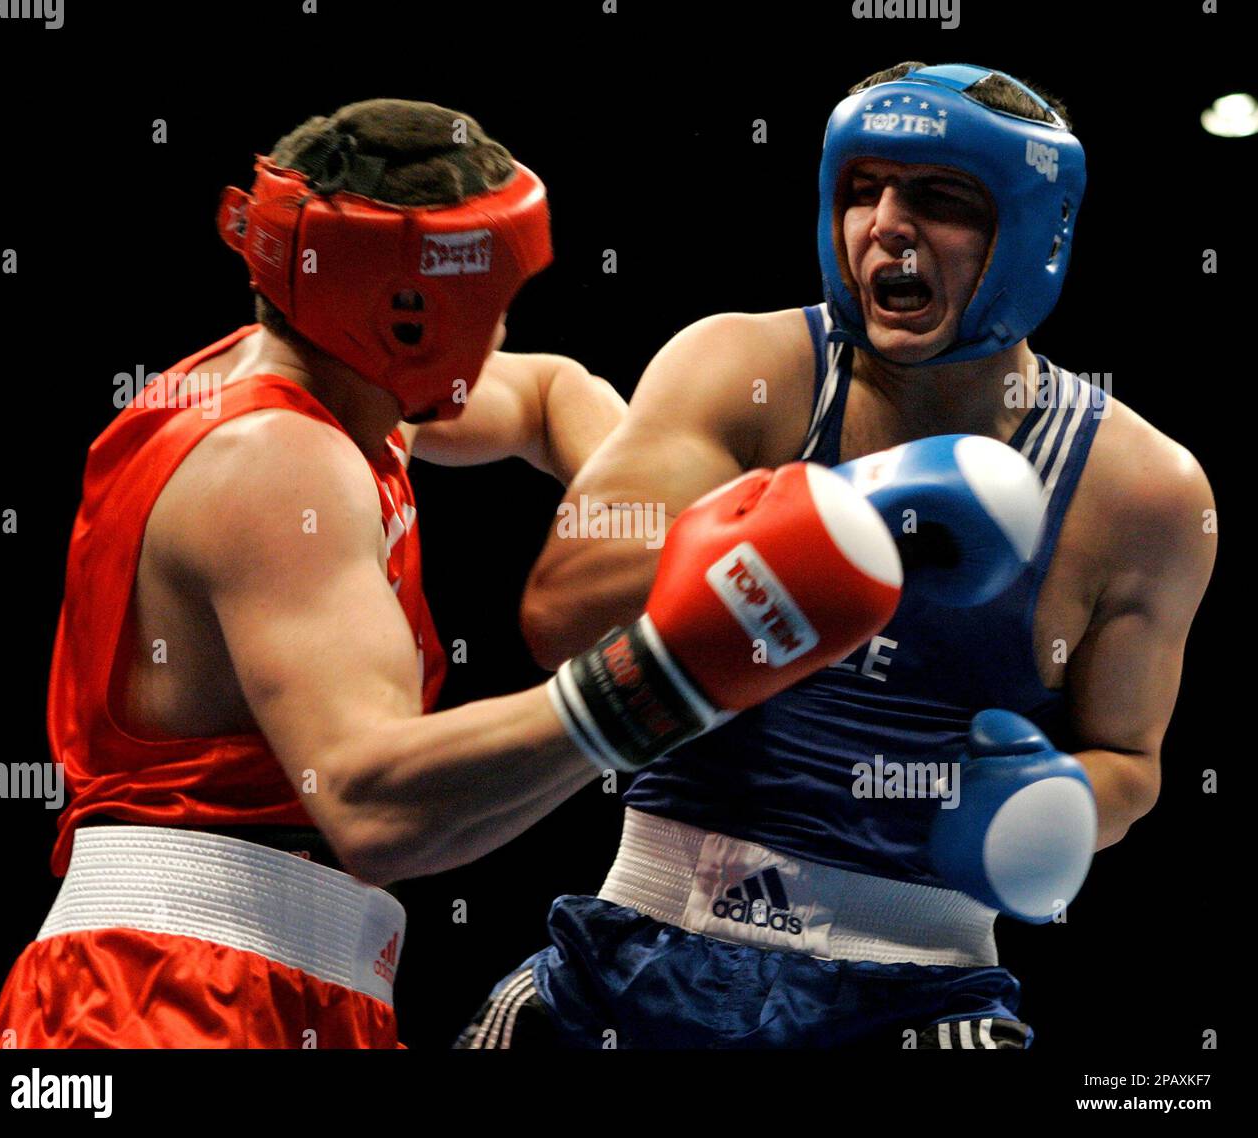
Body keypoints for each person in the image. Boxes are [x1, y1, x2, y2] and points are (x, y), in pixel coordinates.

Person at [0, 98, 912, 1049]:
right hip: (172, 997)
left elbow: (552, 392)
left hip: (262, 978)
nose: (506, 330)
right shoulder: (276, 464)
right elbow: (371, 808)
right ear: (411, 316)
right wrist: (668, 673)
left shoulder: (341, 387)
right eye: (494, 304)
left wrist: (670, 538)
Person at [459, 63, 1217, 1050]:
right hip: (640, 945)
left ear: (1038, 232)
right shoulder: (740, 370)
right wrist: (819, 522)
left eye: (941, 199)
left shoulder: (1143, 491)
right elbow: (561, 610)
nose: (885, 226)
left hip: (917, 994)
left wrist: (1056, 812)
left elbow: (1129, 760)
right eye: (862, 189)